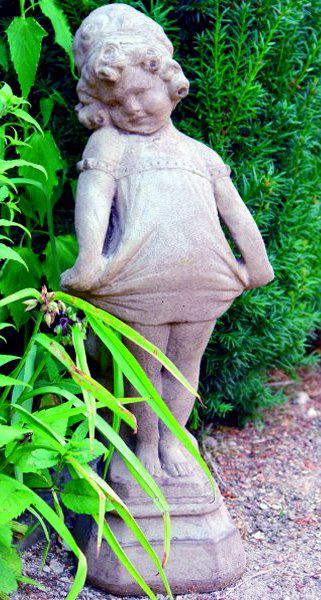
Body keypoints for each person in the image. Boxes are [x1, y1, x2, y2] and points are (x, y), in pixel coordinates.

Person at [61, 4, 274, 477]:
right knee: (140, 366)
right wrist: (90, 261)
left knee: (184, 365)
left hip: (202, 277)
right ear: (99, 109)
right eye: (116, 104)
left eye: (140, 93)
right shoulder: (109, 145)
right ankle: (143, 444)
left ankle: (174, 441)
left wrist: (256, 265)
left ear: (169, 83)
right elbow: (93, 198)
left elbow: (235, 212)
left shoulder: (199, 154)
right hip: (139, 279)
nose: (132, 108)